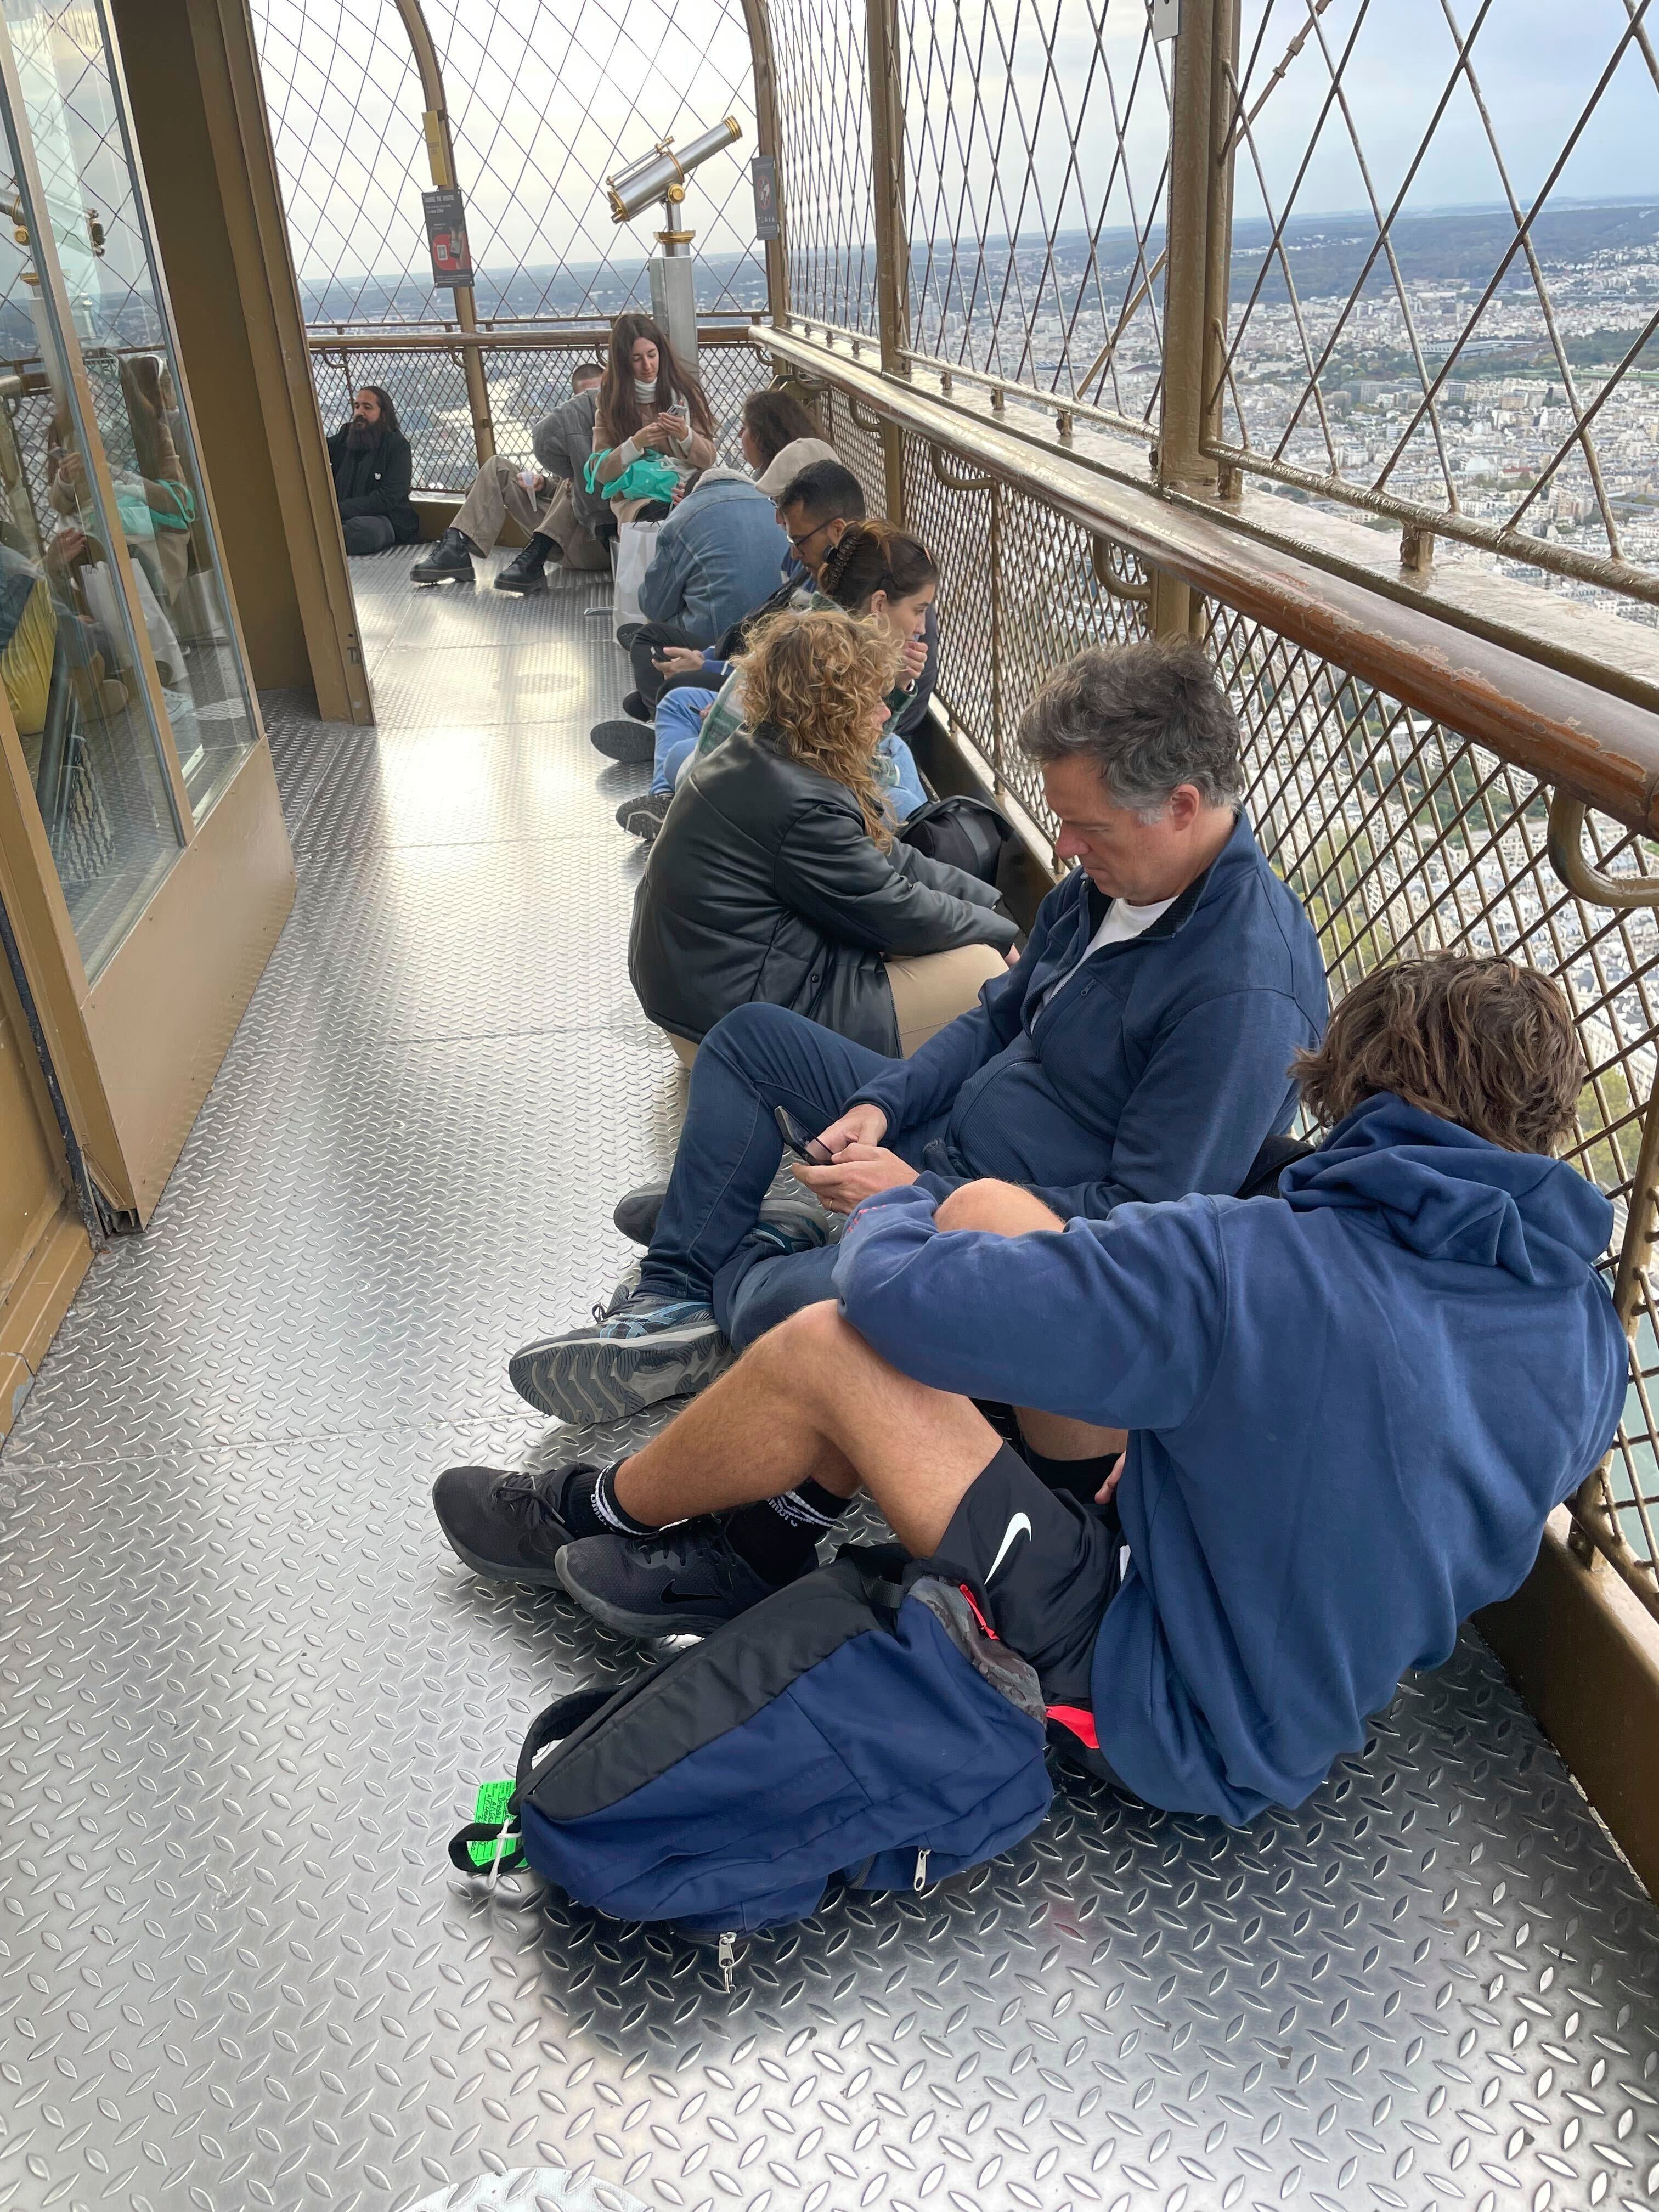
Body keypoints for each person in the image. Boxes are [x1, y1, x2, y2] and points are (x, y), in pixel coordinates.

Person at [436, 953, 1626, 1831]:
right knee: (994, 1215)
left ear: (1355, 1085)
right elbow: (1425, 1507)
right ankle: (775, 1527)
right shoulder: (1581, 1329)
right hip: (1293, 1669)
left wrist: (896, 1201)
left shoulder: (1256, 1260)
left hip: (1158, 1701)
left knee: (838, 1343)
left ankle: (598, 1512)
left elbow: (900, 1305)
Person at [503, 636, 1329, 1439]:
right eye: (1064, 825)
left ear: (1182, 805)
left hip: (1003, 1231)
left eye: (1090, 830)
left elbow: (1136, 1224)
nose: (1067, 851)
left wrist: (912, 1200)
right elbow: (998, 1015)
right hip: (948, 1142)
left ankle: (747, 1229)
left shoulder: (1242, 991)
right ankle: (677, 1295)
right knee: (751, 1041)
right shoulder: (1116, 883)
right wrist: (882, 1106)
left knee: (773, 1304)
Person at [628, 605, 1015, 1068]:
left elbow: (890, 861)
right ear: (835, 711)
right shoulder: (801, 802)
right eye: (871, 701)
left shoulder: (763, 752)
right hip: (730, 1030)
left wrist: (988, 906)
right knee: (985, 974)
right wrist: (1005, 937)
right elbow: (896, 912)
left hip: (708, 999)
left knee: (964, 940)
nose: (882, 715)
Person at [616, 517, 935, 843]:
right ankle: (929, 836)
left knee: (679, 750)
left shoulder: (811, 629)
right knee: (903, 793)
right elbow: (852, 766)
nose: (921, 626)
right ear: (879, 603)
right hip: (777, 808)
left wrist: (896, 686)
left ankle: (669, 804)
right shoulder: (840, 656)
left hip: (740, 785)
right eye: (919, 610)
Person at [591, 456, 867, 770]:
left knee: (672, 687)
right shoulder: (814, 565)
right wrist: (707, 660)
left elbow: (789, 676)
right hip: (746, 657)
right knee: (657, 646)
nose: (774, 519)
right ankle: (669, 724)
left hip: (765, 686)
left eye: (779, 506)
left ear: (835, 529)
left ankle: (663, 728)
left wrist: (712, 671)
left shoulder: (843, 588)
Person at [411, 361, 610, 590]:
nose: (592, 402)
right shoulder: (572, 429)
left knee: (578, 476)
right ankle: (456, 546)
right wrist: (543, 484)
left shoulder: (619, 428)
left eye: (598, 393)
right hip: (562, 540)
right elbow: (563, 496)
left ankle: (535, 555)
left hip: (599, 542)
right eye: (585, 397)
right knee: (499, 467)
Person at [589, 312, 716, 526]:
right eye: (636, 359)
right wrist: (635, 444)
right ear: (623, 363)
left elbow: (708, 458)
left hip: (686, 484)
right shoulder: (610, 402)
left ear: (662, 353)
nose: (647, 366)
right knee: (655, 513)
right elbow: (600, 471)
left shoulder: (685, 392)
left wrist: (685, 435)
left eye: (652, 355)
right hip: (639, 494)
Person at [327, 385, 418, 556]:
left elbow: (387, 497)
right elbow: (317, 450)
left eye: (367, 407)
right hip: (341, 514)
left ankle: (322, 536)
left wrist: (338, 510)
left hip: (382, 518)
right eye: (357, 406)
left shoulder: (397, 446)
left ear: (383, 415)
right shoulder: (346, 435)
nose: (360, 412)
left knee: (366, 532)